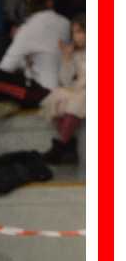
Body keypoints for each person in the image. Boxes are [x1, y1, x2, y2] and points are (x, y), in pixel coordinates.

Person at [41, 14, 86, 166]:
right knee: (58, 98)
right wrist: (66, 58)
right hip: (79, 88)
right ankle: (67, 145)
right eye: (74, 33)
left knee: (78, 101)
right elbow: (66, 80)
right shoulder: (75, 54)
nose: (77, 36)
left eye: (80, 31)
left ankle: (62, 146)